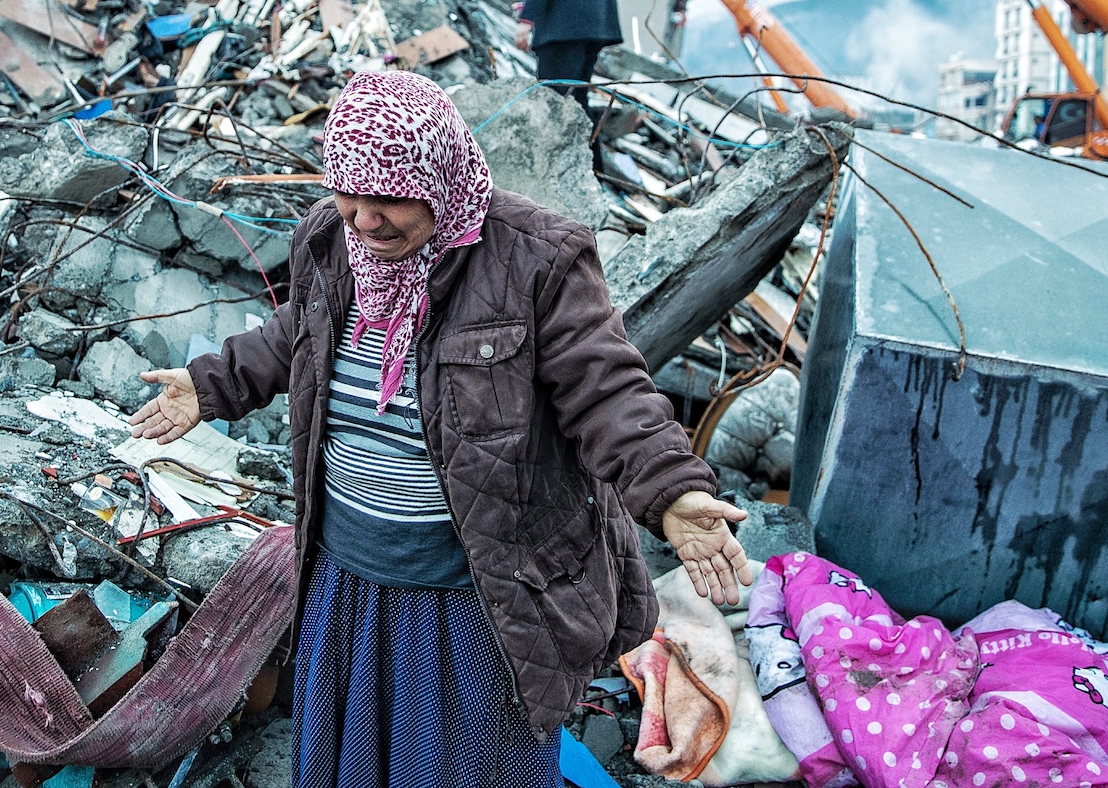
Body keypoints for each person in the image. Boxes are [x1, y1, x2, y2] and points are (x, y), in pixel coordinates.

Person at [129, 70, 752, 788]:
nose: (364, 220)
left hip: (473, 594)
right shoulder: (329, 242)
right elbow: (296, 334)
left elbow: (605, 388)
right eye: (348, 193)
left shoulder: (536, 258)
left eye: (389, 198)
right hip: (348, 574)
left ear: (439, 178)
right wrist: (210, 384)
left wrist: (672, 492)